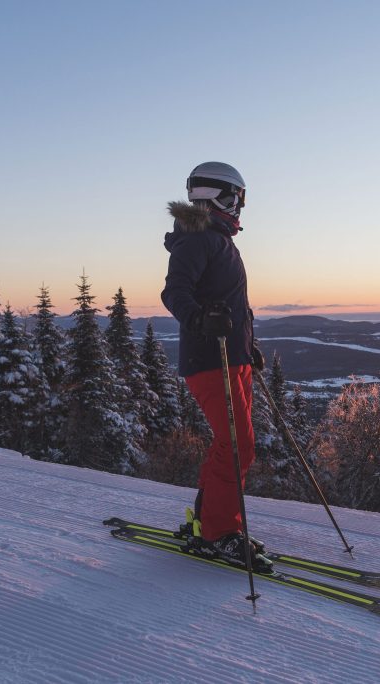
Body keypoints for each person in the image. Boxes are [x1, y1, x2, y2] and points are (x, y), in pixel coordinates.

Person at [160, 161, 267, 568]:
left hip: (231, 356)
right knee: (238, 446)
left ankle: (211, 524)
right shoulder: (198, 238)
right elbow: (175, 292)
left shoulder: (218, 239)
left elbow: (229, 303)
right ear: (221, 195)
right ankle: (219, 532)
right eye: (239, 197)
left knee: (235, 446)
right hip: (210, 360)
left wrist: (246, 345)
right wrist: (200, 319)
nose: (241, 206)